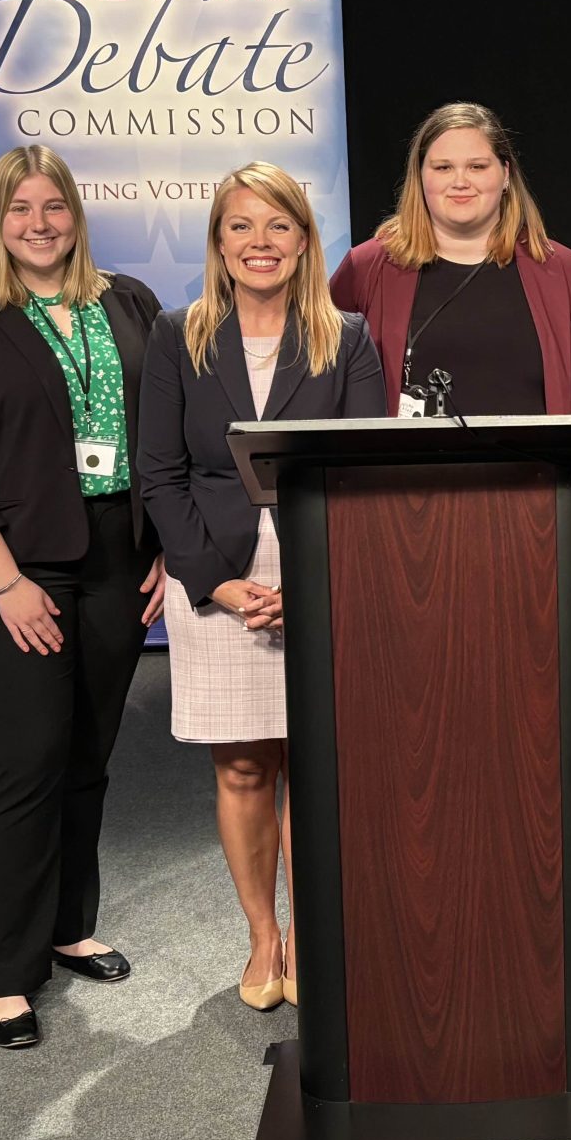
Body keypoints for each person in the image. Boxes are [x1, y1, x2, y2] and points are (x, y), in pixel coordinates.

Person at [0, 145, 168, 1048]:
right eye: (19, 208)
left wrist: (167, 550)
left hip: (117, 556)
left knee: (90, 756)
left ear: (76, 214)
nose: (39, 223)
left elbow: (166, 430)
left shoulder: (129, 301)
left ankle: (68, 926)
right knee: (26, 765)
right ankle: (7, 972)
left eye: (53, 206)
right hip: (15, 567)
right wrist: (8, 580)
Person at [139, 162, 386, 1008]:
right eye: (241, 226)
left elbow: (360, 473)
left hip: (319, 566)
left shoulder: (345, 336)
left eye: (279, 225)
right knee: (244, 768)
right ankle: (263, 937)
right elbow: (160, 476)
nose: (260, 243)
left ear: (306, 239)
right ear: (217, 241)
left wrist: (314, 578)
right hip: (215, 572)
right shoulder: (179, 335)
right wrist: (219, 583)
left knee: (314, 765)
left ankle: (315, 935)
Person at [330, 101, 571, 415]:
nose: (460, 182)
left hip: (535, 465)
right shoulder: (367, 267)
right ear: (421, 176)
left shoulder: (563, 270)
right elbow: (323, 381)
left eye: (477, 167)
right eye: (443, 167)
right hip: (403, 465)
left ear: (506, 174)